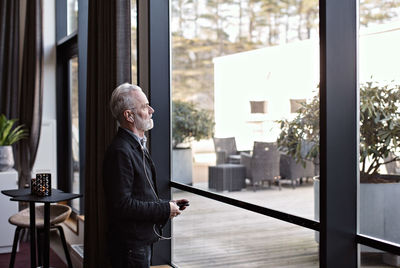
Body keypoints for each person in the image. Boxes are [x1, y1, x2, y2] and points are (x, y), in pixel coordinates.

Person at [103, 83, 189, 268]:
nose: (151, 110)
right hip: (131, 246)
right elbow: (122, 206)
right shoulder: (120, 151)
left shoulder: (136, 145)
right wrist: (164, 210)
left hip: (138, 242)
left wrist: (167, 206)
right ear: (129, 115)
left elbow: (140, 193)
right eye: (144, 106)